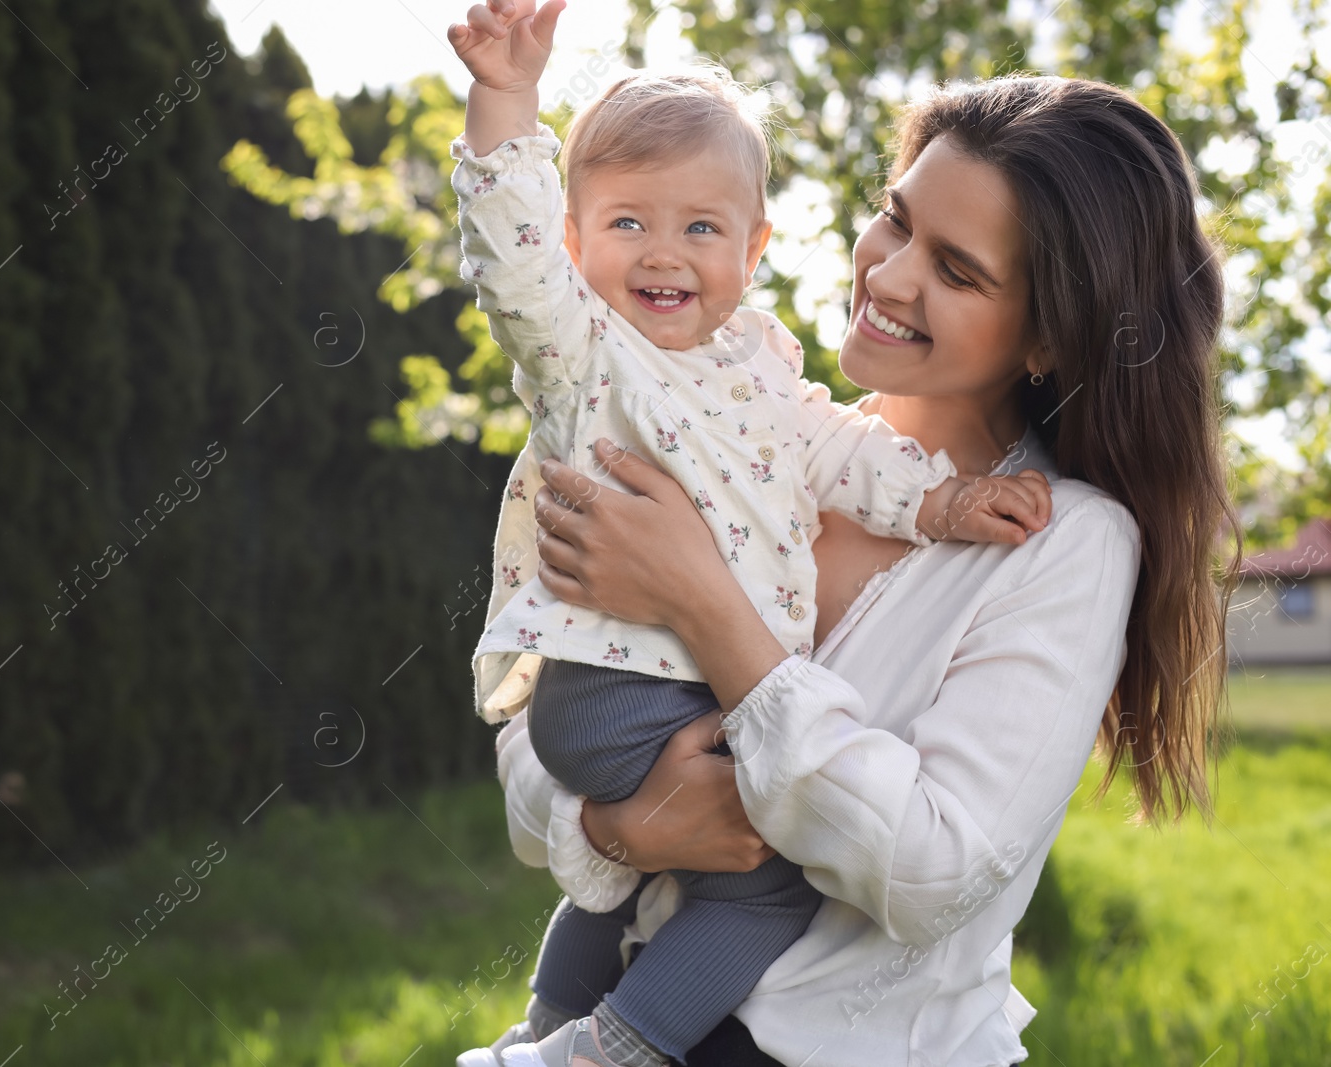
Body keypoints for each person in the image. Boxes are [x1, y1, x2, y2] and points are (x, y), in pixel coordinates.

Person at [493, 72, 1242, 1066]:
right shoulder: (749, 442)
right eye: (894, 220)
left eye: (957, 270)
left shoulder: (1067, 540)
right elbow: (532, 725)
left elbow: (933, 869)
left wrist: (703, 604)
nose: (887, 277)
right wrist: (619, 826)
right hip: (603, 1019)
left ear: (1051, 335)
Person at [445, 2, 1053, 1065]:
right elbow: (509, 257)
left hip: (659, 679)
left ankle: (549, 1018)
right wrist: (505, 98)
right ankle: (613, 1045)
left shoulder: (760, 365)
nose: (664, 253)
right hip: (615, 678)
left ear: (754, 246)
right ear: (574, 239)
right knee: (770, 881)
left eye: (702, 226)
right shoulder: (585, 356)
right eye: (627, 221)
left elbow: (834, 451)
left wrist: (943, 504)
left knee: (662, 863)